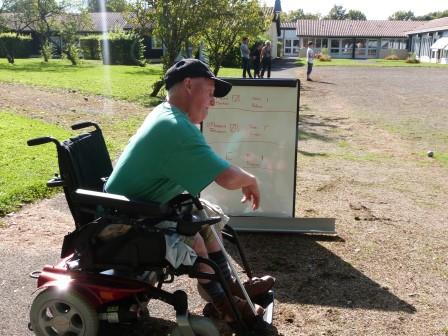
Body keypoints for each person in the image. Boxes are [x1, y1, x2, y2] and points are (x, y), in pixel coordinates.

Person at [105, 59, 274, 323]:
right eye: (209, 92)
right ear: (188, 85)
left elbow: (213, 167)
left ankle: (229, 286)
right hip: (122, 220)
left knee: (204, 218)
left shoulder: (167, 115)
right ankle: (223, 304)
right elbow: (227, 177)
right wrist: (250, 178)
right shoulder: (175, 127)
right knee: (194, 237)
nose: (213, 101)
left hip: (138, 207)